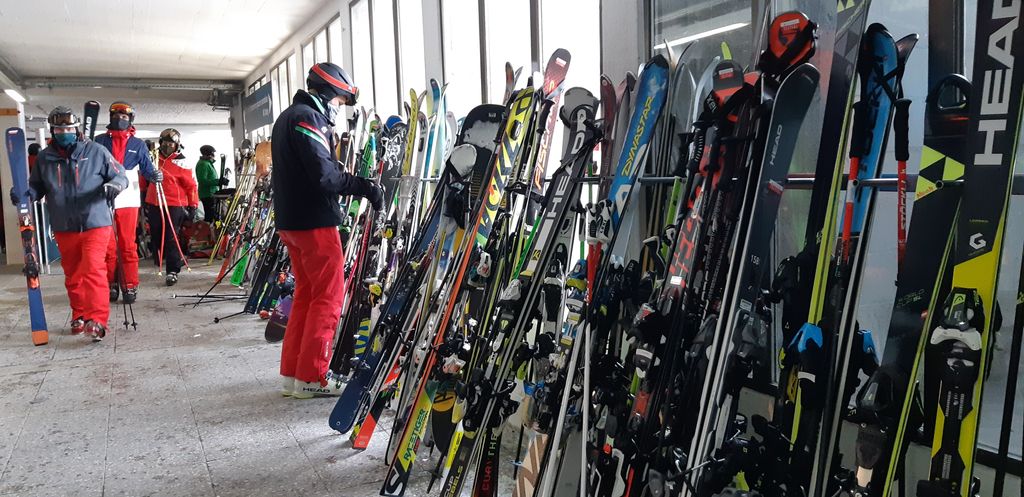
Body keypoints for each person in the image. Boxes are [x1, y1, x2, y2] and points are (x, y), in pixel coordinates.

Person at [272, 62, 383, 398]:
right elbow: (325, 177)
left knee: (306, 295)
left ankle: (295, 374)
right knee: (328, 297)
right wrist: (366, 187)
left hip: (291, 222)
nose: (337, 109)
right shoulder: (307, 118)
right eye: (338, 102)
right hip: (314, 221)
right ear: (328, 93)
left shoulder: (288, 117)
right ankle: (313, 377)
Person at [9, 107, 127, 341]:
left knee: (93, 270)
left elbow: (119, 174)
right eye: (60, 129)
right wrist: (26, 195)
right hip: (64, 225)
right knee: (73, 274)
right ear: (53, 131)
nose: (65, 132)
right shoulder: (45, 157)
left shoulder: (96, 151)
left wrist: (114, 186)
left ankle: (97, 320)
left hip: (95, 221)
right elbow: (37, 186)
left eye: (69, 128)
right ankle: (80, 313)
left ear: (77, 129)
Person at [94, 101, 163, 304]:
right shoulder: (98, 141)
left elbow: (147, 169)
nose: (120, 120)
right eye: (116, 116)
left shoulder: (138, 144)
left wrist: (155, 175)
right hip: (103, 197)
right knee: (108, 245)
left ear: (130, 120)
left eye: (124, 117)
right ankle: (110, 283)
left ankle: (129, 284)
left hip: (128, 199)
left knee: (127, 244)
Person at [144, 128, 198, 286]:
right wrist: (142, 197)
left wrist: (193, 205)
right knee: (156, 233)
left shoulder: (182, 161)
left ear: (177, 145)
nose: (168, 146)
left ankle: (172, 270)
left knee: (170, 236)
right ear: (160, 143)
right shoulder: (152, 159)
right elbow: (143, 178)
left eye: (172, 144)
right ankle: (166, 259)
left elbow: (191, 186)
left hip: (174, 204)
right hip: (154, 202)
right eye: (166, 143)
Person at [196, 144, 227, 222]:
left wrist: (220, 181)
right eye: (213, 153)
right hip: (207, 194)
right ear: (210, 153)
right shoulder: (203, 164)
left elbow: (210, 178)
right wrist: (218, 182)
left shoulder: (208, 163)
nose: (214, 155)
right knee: (210, 216)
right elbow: (202, 181)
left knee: (213, 215)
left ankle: (211, 231)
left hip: (211, 193)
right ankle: (208, 232)